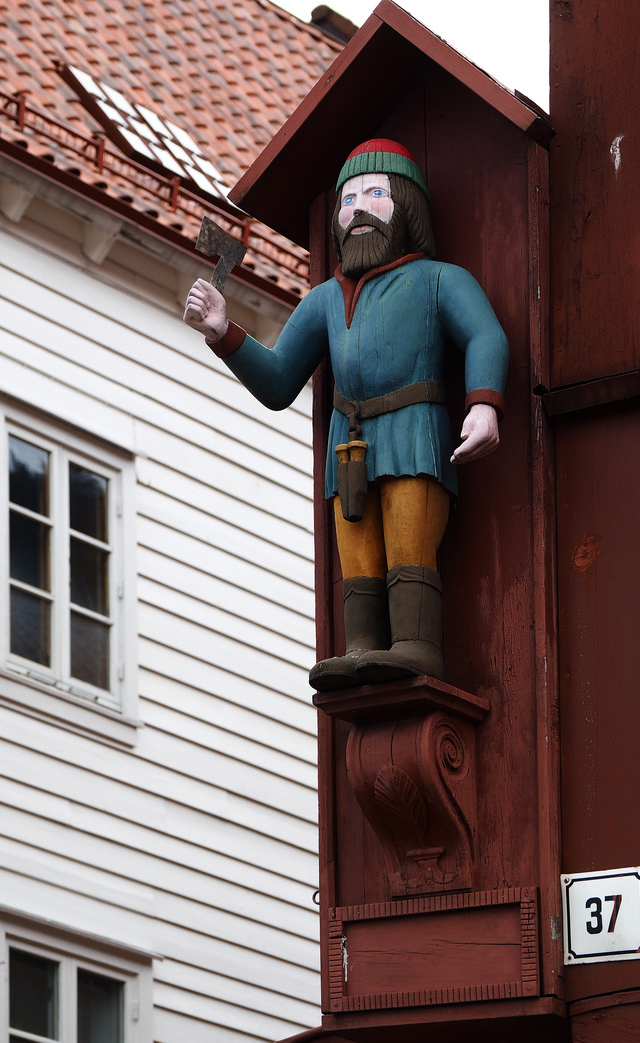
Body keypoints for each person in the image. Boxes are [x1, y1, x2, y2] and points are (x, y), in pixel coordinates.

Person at [184, 139, 509, 691]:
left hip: (413, 431)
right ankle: (361, 647)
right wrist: (224, 330)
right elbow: (281, 379)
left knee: (409, 538)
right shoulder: (324, 300)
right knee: (354, 546)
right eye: (348, 198)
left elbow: (485, 334)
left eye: (376, 193)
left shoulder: (438, 280)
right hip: (348, 442)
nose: (357, 208)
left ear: (406, 204)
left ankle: (415, 646)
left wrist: (483, 403)